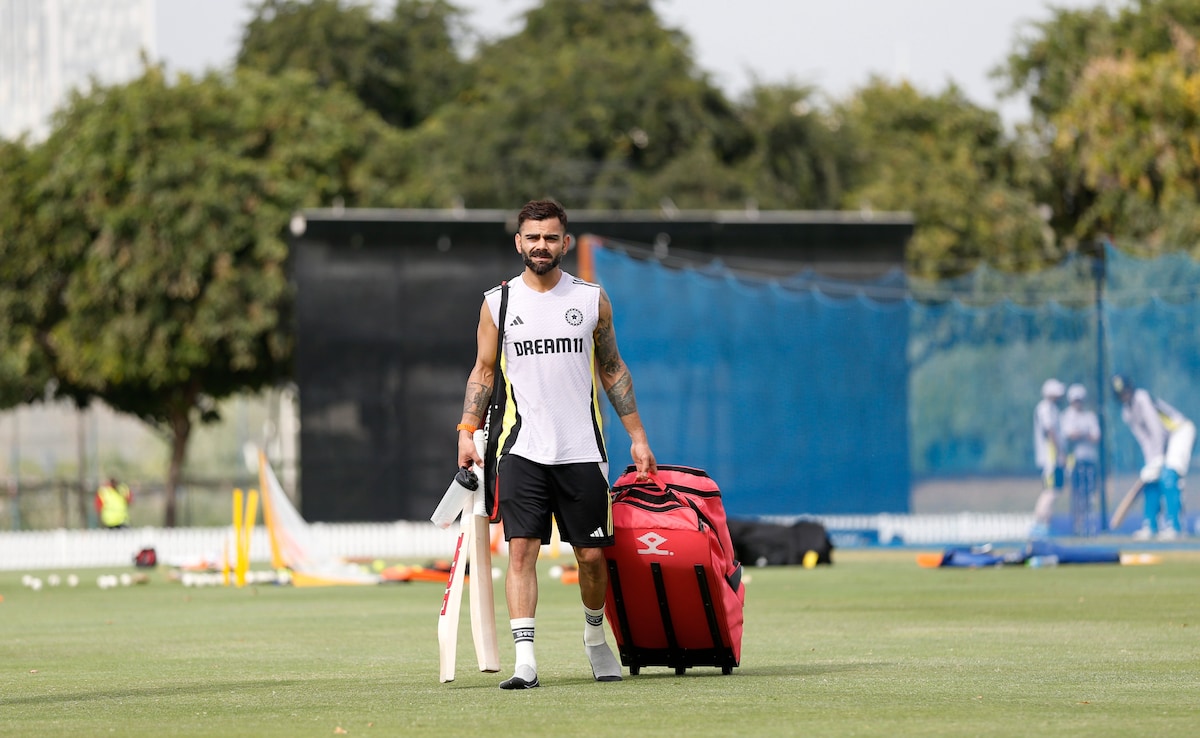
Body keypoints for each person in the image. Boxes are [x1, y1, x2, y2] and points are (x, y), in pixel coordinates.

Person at [458, 199, 657, 690]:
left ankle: (594, 638)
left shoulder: (591, 299)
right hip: (521, 449)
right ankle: (525, 662)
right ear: (518, 243)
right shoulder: (498, 302)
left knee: (590, 558)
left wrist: (637, 436)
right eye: (533, 237)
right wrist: (466, 430)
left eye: (550, 237)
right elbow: (483, 371)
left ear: (565, 243)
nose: (541, 245)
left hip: (582, 450)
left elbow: (613, 369)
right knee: (520, 552)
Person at [1111, 374, 1194, 540]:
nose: (1124, 395)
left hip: (1179, 432)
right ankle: (1150, 526)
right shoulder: (1126, 413)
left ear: (1130, 388)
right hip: (1163, 444)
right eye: (1120, 394)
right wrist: (1151, 463)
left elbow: (1157, 429)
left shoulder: (1142, 398)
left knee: (1169, 475)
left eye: (1125, 391)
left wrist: (1158, 457)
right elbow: (1144, 439)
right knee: (1151, 479)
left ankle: (1175, 526)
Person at [1061, 383, 1101, 536]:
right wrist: (1085, 434)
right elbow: (1069, 435)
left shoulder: (1089, 416)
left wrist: (1081, 434)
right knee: (1077, 494)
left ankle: (1087, 524)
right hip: (1075, 461)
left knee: (1089, 494)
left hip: (1090, 459)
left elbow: (1096, 437)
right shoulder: (1067, 416)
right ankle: (1077, 525)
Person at [1030, 378, 1066, 538]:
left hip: (1053, 457)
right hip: (1050, 458)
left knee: (1054, 491)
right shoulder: (1045, 408)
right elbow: (1050, 430)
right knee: (1050, 491)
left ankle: (1046, 524)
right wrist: (1060, 452)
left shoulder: (1053, 409)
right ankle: (1039, 524)